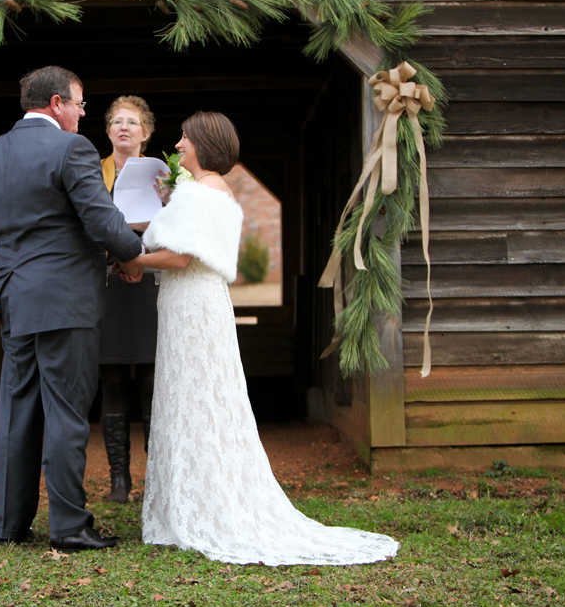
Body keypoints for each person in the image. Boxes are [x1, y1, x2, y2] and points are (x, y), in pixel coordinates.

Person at [117, 112, 399, 566]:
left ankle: (203, 509)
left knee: (194, 400)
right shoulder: (211, 192)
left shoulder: (200, 193)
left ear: (203, 144)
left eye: (186, 137)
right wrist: (169, 202)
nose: (180, 143)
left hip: (192, 307)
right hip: (195, 305)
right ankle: (195, 501)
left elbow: (182, 258)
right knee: (199, 400)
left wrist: (135, 262)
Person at [0, 66, 144, 552]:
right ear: (57, 103)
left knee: (17, 410)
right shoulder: (72, 149)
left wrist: (3, 285)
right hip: (68, 303)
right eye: (81, 104)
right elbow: (101, 219)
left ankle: (10, 524)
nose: (85, 113)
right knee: (66, 412)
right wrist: (133, 255)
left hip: (16, 304)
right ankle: (67, 526)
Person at [98, 96, 159, 503]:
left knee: (156, 383)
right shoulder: (89, 171)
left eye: (132, 123)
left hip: (152, 281)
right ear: (107, 131)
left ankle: (157, 477)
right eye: (117, 122)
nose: (124, 128)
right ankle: (119, 480)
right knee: (113, 380)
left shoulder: (165, 174)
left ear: (146, 132)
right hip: (107, 283)